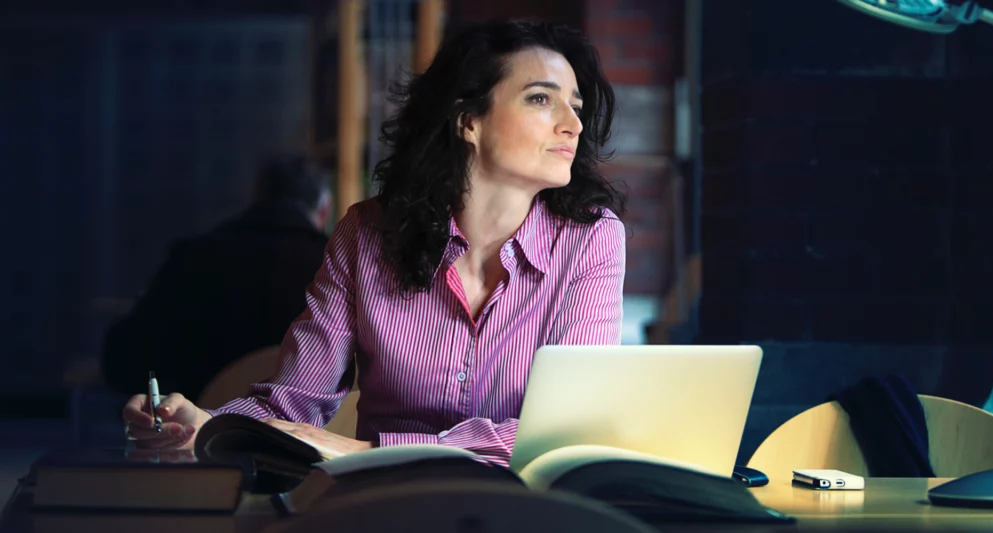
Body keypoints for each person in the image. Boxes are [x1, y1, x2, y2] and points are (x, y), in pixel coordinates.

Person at [122, 19, 627, 468]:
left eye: (576, 106)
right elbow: (295, 402)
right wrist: (200, 423)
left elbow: (563, 432)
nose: (573, 124)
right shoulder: (365, 233)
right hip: (380, 509)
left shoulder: (591, 241)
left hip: (529, 516)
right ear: (468, 120)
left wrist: (371, 453)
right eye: (542, 98)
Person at [101, 156, 333, 401]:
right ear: (324, 211)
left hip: (205, 432)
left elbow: (123, 364)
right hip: (312, 436)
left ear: (256, 196)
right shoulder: (337, 268)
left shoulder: (193, 257)